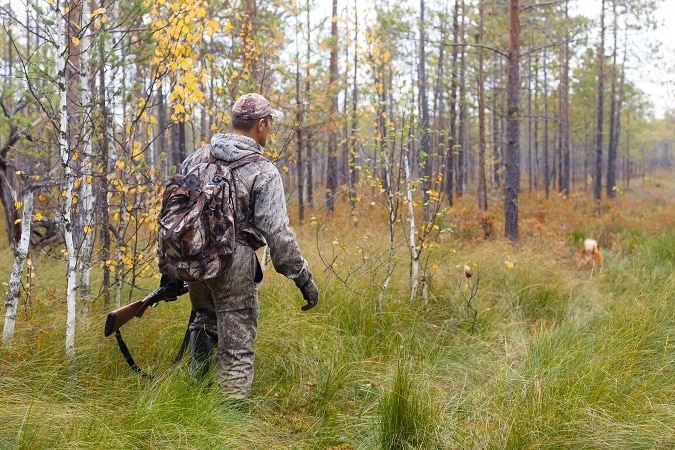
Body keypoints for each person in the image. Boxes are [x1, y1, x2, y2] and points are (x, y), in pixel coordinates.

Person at [178, 92, 319, 398]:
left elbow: (178, 212)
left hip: (194, 260)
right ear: (262, 124)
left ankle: (193, 398)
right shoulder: (263, 171)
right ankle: (230, 419)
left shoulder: (196, 158)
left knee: (203, 320)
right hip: (233, 262)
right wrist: (303, 278)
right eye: (270, 124)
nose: (270, 130)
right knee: (237, 346)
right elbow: (278, 234)